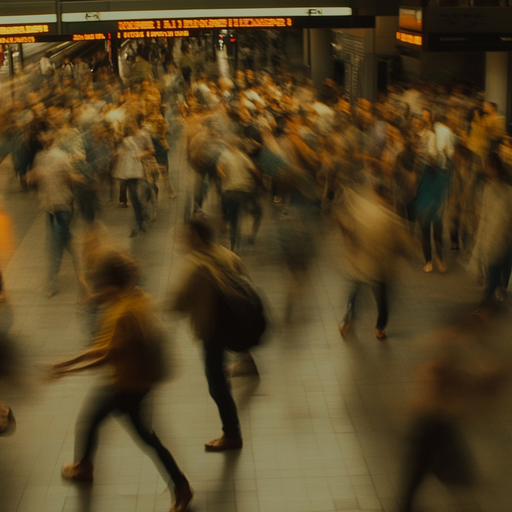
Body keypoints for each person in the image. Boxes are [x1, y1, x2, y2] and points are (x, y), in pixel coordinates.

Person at [45, 251, 193, 512]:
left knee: (146, 437)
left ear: (112, 284)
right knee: (91, 419)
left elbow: (103, 355)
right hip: (136, 379)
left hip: (128, 386)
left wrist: (65, 368)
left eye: (102, 284)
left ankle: (182, 487)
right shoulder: (138, 296)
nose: (98, 289)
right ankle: (84, 467)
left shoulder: (122, 313)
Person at [171, 217, 247, 451]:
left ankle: (231, 433)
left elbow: (179, 304)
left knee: (216, 383)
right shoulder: (227, 254)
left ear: (195, 237)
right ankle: (247, 363)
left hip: (211, 331)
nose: (182, 240)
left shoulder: (194, 265)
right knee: (218, 374)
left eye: (185, 235)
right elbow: (245, 282)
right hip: (233, 324)